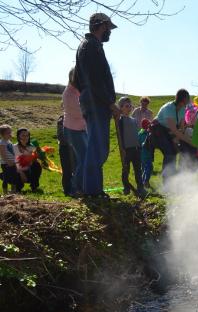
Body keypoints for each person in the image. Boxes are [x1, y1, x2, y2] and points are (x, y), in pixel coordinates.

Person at [74, 13, 119, 198]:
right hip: (97, 104)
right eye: (109, 28)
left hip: (94, 102)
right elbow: (93, 80)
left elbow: (78, 80)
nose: (110, 32)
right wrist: (109, 103)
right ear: (101, 26)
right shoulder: (91, 46)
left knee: (98, 147)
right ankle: (92, 192)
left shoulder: (91, 46)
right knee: (97, 147)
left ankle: (94, 190)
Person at [153, 89, 193, 180]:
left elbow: (182, 128)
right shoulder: (169, 108)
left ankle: (174, 178)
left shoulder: (183, 108)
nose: (189, 100)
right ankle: (167, 182)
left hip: (170, 131)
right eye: (188, 98)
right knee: (169, 152)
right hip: (159, 131)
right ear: (183, 99)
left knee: (176, 151)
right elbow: (174, 130)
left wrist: (180, 139)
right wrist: (190, 141)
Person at [62, 67, 87, 196]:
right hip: (72, 130)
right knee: (83, 159)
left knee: (84, 159)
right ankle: (74, 188)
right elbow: (79, 112)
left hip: (81, 129)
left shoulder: (78, 91)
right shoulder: (68, 94)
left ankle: (82, 186)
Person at [117, 97, 146, 197]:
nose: (129, 108)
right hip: (126, 150)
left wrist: (139, 144)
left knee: (138, 169)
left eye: (130, 106)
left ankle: (140, 187)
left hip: (136, 148)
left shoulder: (133, 120)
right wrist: (122, 149)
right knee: (126, 169)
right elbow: (120, 136)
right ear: (120, 108)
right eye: (126, 106)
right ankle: (126, 187)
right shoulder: (119, 121)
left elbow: (135, 134)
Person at [0, 124, 21, 193]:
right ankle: (5, 192)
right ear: (2, 134)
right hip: (6, 163)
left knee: (13, 176)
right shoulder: (2, 142)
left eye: (10, 132)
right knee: (6, 177)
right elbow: (2, 154)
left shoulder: (9, 142)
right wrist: (7, 161)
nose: (10, 134)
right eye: (8, 133)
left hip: (12, 162)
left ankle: (13, 191)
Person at [57, 115, 74, 196]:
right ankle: (67, 190)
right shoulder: (62, 120)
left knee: (77, 168)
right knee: (67, 170)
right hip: (65, 148)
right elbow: (61, 136)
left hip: (76, 147)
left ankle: (77, 187)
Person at [138, 119, 153, 189]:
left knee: (144, 168)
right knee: (149, 168)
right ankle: (145, 181)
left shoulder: (139, 133)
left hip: (142, 154)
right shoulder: (147, 133)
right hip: (146, 154)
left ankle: (142, 182)